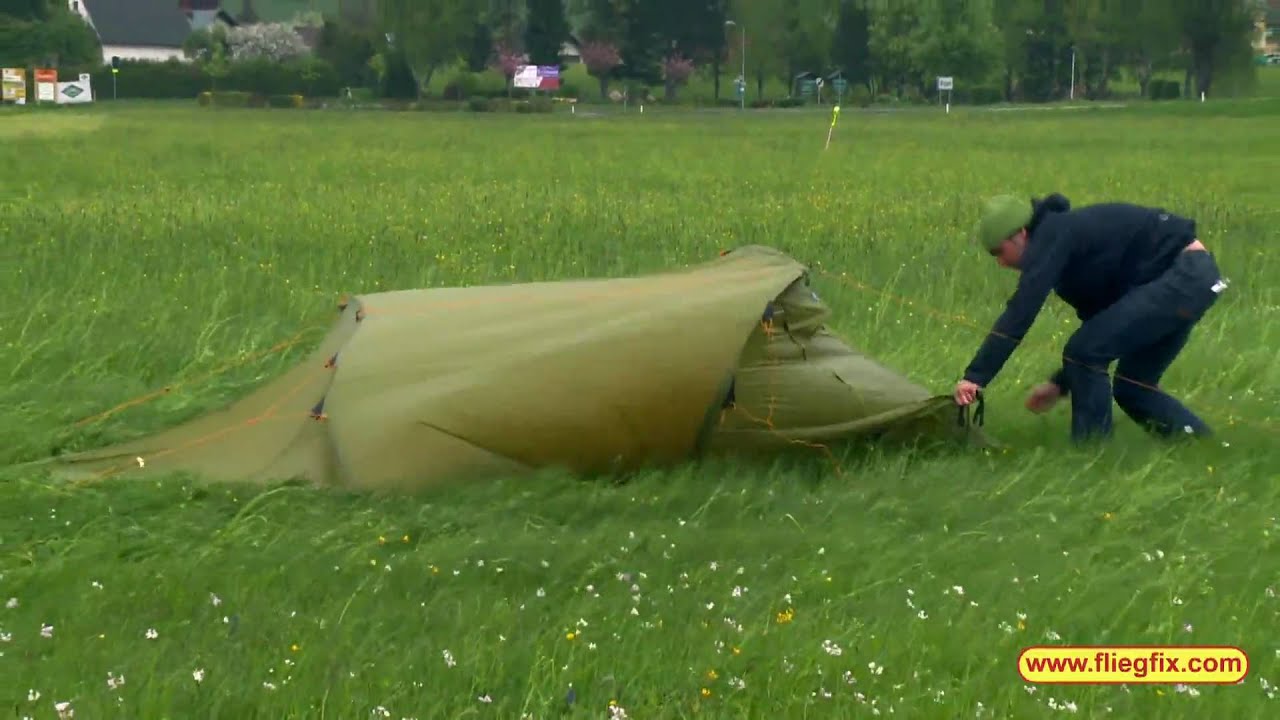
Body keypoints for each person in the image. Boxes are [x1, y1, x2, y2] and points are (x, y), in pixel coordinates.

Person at [953, 192, 1228, 443]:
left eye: (999, 252)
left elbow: (1022, 308)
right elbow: (1102, 326)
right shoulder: (1065, 252)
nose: (1001, 263)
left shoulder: (1054, 233)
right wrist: (1060, 383)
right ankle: (1203, 447)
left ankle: (1092, 454)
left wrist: (975, 377)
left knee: (1084, 352)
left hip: (1182, 274)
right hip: (1191, 280)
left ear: (1022, 234)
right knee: (1133, 385)